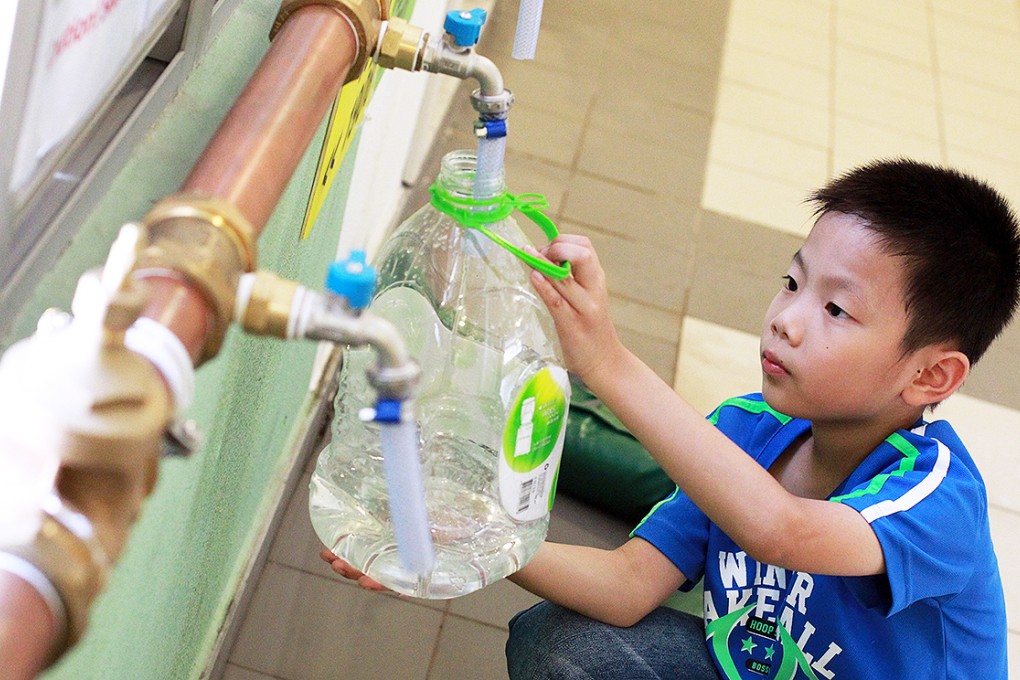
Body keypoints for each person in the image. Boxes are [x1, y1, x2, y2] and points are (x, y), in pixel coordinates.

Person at [322, 159, 1017, 679]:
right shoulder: (745, 429)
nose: (787, 321)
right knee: (564, 646)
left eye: (836, 310)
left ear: (930, 376)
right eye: (793, 283)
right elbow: (627, 587)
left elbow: (784, 531)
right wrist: (468, 542)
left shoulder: (938, 496)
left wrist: (607, 361)